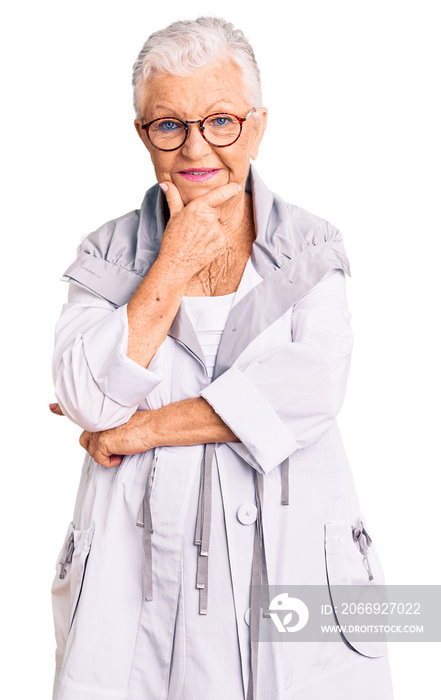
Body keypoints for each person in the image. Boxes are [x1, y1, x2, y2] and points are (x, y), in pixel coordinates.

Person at [49, 15, 394, 700]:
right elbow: (86, 394)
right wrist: (171, 265)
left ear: (258, 126)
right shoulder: (108, 253)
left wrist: (137, 428)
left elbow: (309, 391)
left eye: (221, 121)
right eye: (168, 125)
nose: (195, 146)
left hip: (297, 571)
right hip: (137, 569)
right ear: (142, 134)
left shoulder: (310, 246)